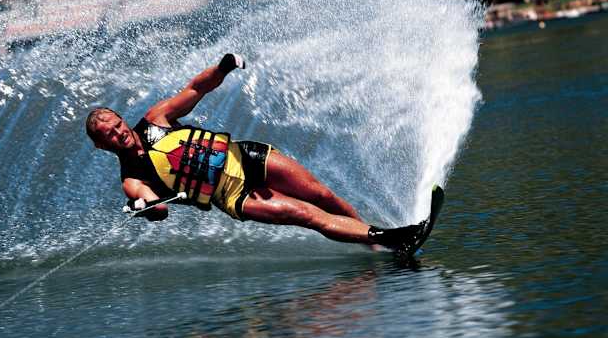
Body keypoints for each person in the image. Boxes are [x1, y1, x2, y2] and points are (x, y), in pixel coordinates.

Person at [85, 54, 428, 258]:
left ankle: (377, 244)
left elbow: (195, 88)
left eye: (117, 124)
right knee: (306, 215)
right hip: (233, 195)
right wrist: (144, 207)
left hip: (245, 156)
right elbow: (157, 208)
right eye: (109, 135)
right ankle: (391, 237)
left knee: (321, 195)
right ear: (102, 146)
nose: (118, 133)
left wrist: (223, 67)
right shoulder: (132, 178)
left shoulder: (156, 119)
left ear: (120, 119)